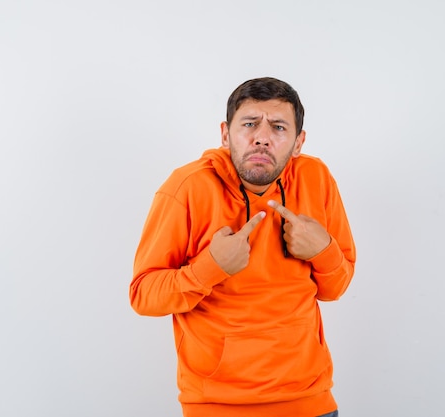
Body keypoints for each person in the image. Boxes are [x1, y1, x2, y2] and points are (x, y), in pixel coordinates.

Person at [130, 77, 356, 417]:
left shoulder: (316, 178)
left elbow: (336, 287)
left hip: (310, 402)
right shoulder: (187, 189)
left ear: (298, 143)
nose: (262, 137)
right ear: (225, 134)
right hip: (218, 406)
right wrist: (209, 268)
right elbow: (143, 294)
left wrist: (322, 250)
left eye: (279, 127)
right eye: (249, 124)